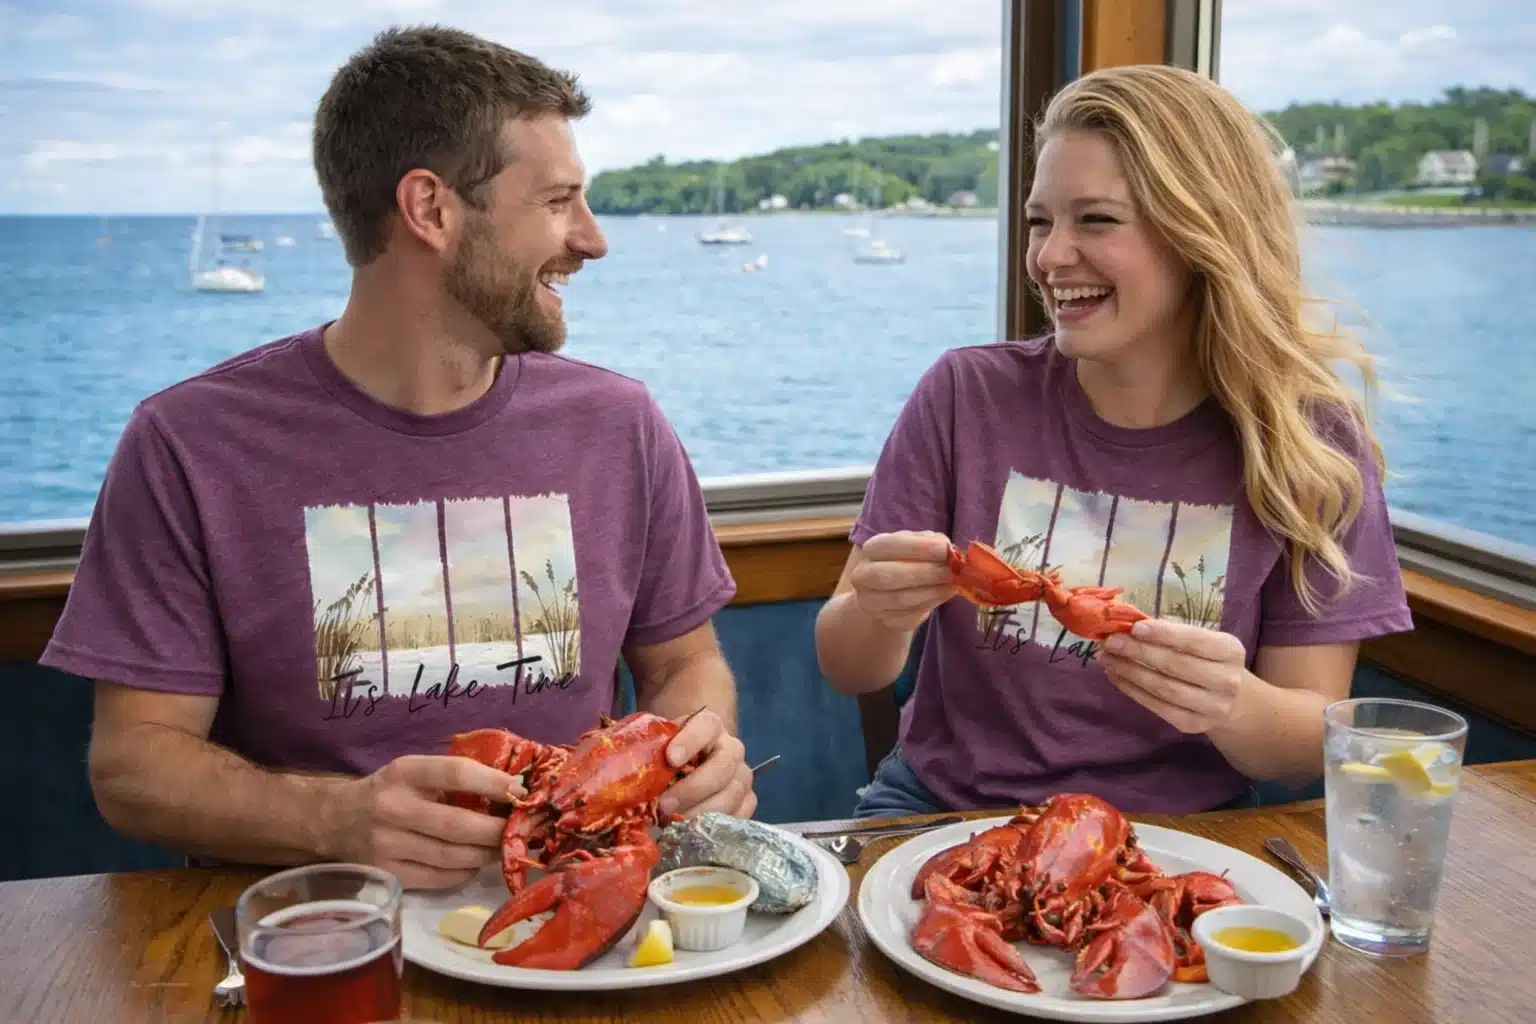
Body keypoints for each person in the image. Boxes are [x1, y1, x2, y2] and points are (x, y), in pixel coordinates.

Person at [40, 26, 755, 890]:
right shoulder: (188, 444)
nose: (592, 238)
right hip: (319, 932)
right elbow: (132, 768)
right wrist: (333, 820)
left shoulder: (621, 422)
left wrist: (690, 751)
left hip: (577, 900)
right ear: (432, 210)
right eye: (559, 201)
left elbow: (685, 665)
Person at [815, 64, 1413, 819]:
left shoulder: (1309, 443)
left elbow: (1303, 748)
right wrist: (879, 611)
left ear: (1204, 232)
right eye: (1039, 221)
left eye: (1094, 220)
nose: (1050, 256)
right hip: (946, 806)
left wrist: (1230, 702)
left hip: (1183, 831)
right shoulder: (965, 395)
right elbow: (845, 663)